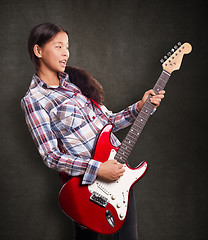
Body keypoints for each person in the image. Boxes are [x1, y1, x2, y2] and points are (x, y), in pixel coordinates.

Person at [21, 23, 165, 240]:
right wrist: (98, 168)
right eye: (58, 46)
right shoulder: (34, 100)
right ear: (38, 50)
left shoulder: (74, 85)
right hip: (85, 187)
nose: (65, 53)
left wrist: (140, 106)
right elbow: (51, 156)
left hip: (117, 175)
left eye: (67, 47)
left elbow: (108, 122)